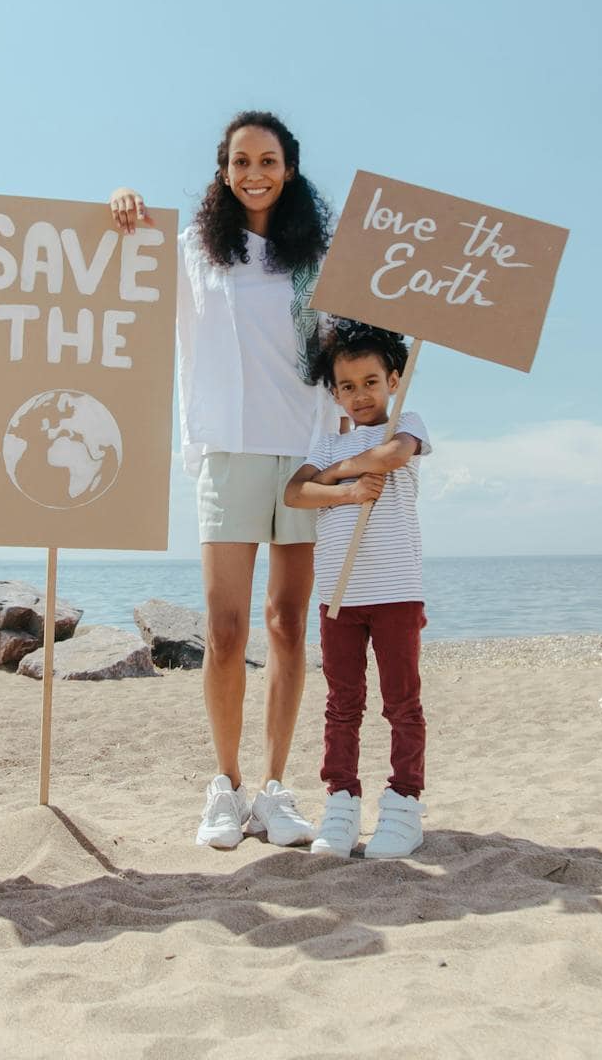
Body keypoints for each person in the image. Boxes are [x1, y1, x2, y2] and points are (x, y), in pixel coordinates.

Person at [109, 111, 335, 849]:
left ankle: (274, 788)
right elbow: (126, 266)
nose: (254, 173)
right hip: (226, 451)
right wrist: (123, 204)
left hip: (303, 452)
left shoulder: (318, 259)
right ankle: (227, 784)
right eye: (240, 161)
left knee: (289, 626)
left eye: (268, 160)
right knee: (229, 629)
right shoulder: (195, 253)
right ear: (223, 169)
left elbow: (348, 344)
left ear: (289, 168)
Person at [283, 321, 430, 860]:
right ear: (334, 392)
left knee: (401, 703)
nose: (361, 394)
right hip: (340, 597)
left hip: (396, 592)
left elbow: (392, 457)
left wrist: (334, 475)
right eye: (348, 386)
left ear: (394, 379)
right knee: (343, 704)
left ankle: (404, 802)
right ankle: (341, 801)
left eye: (371, 381)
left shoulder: (406, 421)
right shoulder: (326, 442)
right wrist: (344, 489)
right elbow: (296, 493)